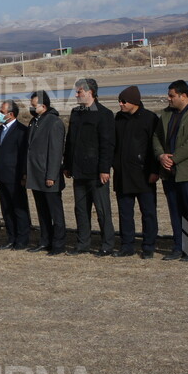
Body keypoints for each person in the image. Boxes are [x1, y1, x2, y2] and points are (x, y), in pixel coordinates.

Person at [153, 80, 188, 261]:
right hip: (169, 173)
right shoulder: (166, 114)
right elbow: (156, 137)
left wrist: (174, 158)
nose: (168, 99)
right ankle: (179, 246)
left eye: (171, 96)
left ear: (183, 96)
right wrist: (161, 156)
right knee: (176, 212)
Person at [63, 78, 116, 256]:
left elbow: (107, 144)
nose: (77, 95)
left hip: (96, 172)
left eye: (79, 92)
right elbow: (70, 141)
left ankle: (107, 244)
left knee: (102, 210)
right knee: (80, 209)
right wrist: (67, 165)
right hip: (78, 171)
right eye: (77, 92)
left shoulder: (104, 114)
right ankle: (83, 243)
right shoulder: (76, 113)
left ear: (90, 92)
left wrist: (104, 169)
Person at [112, 86, 160, 258]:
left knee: (148, 212)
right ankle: (127, 245)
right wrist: (114, 164)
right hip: (123, 174)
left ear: (134, 102)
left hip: (144, 174)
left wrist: (155, 171)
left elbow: (155, 147)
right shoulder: (118, 118)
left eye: (123, 101)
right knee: (125, 213)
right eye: (120, 101)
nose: (120, 104)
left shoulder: (150, 119)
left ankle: (148, 246)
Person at [25, 91, 66, 255]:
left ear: (44, 105)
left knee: (55, 212)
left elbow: (56, 152)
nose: (31, 107)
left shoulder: (54, 123)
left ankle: (58, 244)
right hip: (36, 174)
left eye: (34, 105)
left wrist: (51, 176)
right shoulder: (34, 122)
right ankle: (45, 240)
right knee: (42, 211)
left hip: (48, 175)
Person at [0, 100, 30, 250]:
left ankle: (22, 239)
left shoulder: (21, 130)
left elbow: (23, 155)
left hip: (15, 177)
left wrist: (23, 175)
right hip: (2, 176)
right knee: (6, 209)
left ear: (11, 114)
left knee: (19, 209)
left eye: (2, 112)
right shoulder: (0, 129)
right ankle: (11, 237)